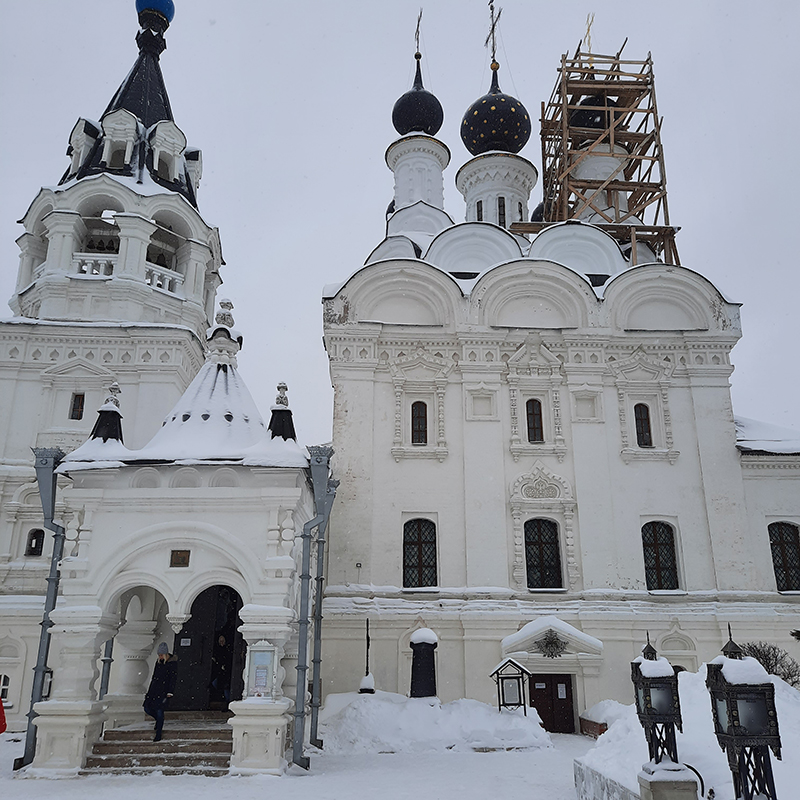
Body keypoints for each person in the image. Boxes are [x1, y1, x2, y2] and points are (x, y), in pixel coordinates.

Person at [143, 642, 177, 742]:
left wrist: (170, 691)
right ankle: (158, 721)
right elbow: (154, 677)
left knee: (159, 711)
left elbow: (173, 678)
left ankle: (158, 733)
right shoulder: (158, 663)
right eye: (159, 655)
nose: (160, 657)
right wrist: (149, 691)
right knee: (147, 708)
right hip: (154, 690)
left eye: (161, 655)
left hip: (163, 691)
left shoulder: (172, 664)